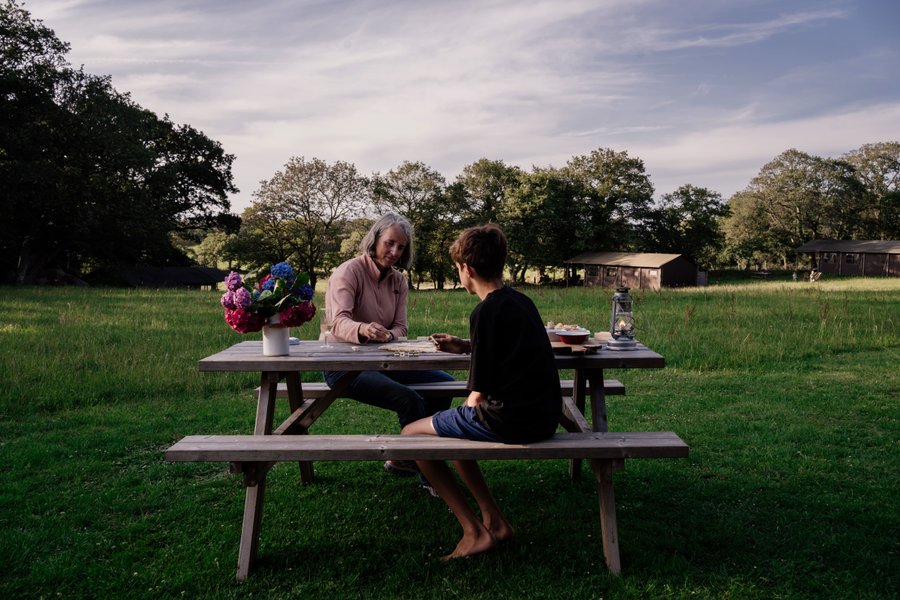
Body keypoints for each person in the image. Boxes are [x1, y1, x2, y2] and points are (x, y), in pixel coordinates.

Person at [402, 224, 562, 560]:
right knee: (455, 431)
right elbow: (509, 348)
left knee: (410, 436)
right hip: (545, 417)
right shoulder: (521, 301)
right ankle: (494, 520)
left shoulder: (484, 311)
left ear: (467, 270)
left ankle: (474, 532)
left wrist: (460, 413)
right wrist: (463, 346)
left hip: (511, 420)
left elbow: (479, 389)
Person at [323, 213, 454, 477]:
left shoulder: (399, 281)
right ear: (374, 240)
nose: (394, 252)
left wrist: (389, 335)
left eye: (401, 247)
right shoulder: (348, 271)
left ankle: (404, 459)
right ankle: (430, 473)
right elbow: (337, 322)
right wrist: (363, 328)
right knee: (408, 400)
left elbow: (401, 328)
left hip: (387, 360)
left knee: (444, 385)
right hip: (343, 366)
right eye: (389, 243)